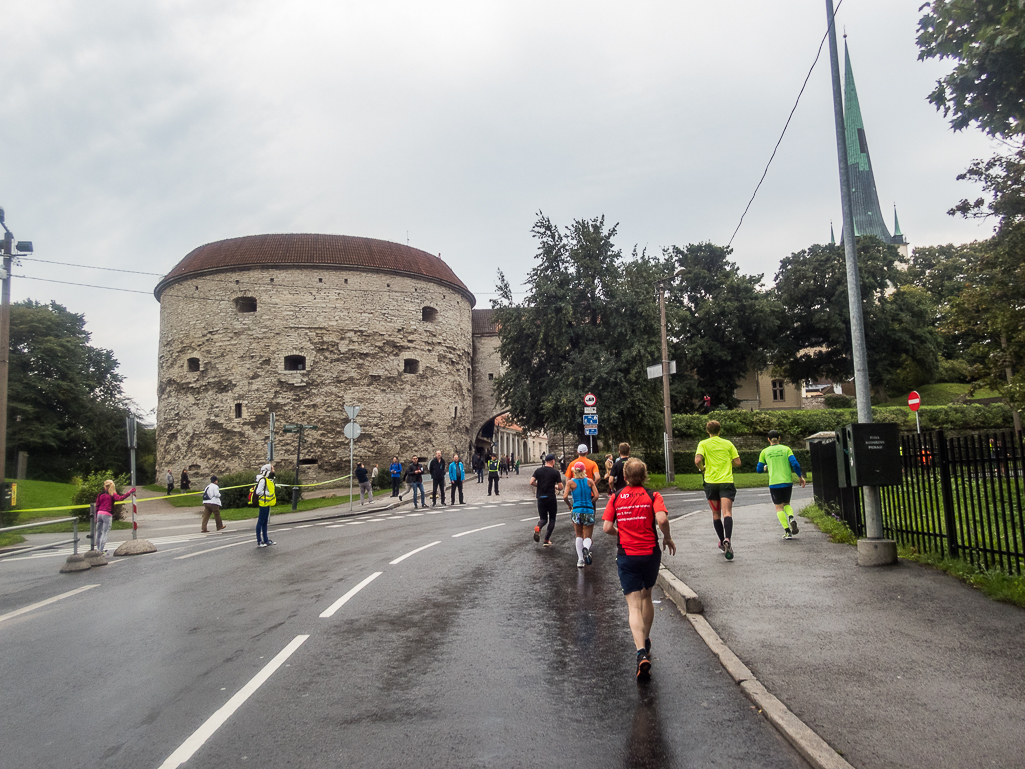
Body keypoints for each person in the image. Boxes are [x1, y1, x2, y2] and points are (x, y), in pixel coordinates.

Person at [602, 458, 676, 680]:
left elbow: (606, 527)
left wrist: (620, 533)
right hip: (650, 553)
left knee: (633, 606)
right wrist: (667, 537)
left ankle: (640, 652)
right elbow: (661, 518)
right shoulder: (653, 495)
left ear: (624, 476)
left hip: (627, 555)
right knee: (647, 597)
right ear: (644, 476)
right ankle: (646, 640)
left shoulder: (615, 497)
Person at [695, 420, 741, 560]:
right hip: (726, 481)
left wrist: (702, 469)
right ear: (720, 430)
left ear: (707, 431)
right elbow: (738, 462)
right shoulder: (728, 444)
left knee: (716, 514)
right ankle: (728, 538)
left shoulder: (703, 444)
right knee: (727, 512)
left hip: (710, 482)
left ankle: (721, 541)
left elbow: (697, 460)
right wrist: (728, 462)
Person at [756, 430, 806, 539]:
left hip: (774, 483)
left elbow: (759, 469)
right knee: (787, 503)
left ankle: (788, 532)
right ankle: (792, 518)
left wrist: (765, 468)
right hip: (787, 481)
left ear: (768, 439)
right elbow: (795, 464)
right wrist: (800, 477)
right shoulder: (786, 449)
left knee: (779, 507)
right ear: (779, 438)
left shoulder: (764, 452)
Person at [563, 461, 599, 568]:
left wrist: (570, 505)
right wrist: (590, 503)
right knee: (588, 536)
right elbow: (596, 496)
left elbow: (565, 497)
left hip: (576, 510)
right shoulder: (590, 481)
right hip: (588, 510)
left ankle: (580, 560)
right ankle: (586, 549)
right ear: (584, 471)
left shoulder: (570, 482)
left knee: (578, 535)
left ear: (574, 471)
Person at [94, 479, 136, 554]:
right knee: (105, 532)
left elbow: (97, 505)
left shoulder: (100, 494)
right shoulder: (112, 494)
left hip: (99, 513)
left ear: (105, 486)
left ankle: (98, 549)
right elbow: (121, 498)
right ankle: (100, 551)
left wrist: (96, 516)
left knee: (99, 532)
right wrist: (129, 492)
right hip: (107, 514)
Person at [530, 453, 564, 546]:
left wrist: (540, 485)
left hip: (541, 497)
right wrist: (555, 486)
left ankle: (538, 527)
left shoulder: (538, 471)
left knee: (543, 519)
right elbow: (561, 487)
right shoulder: (555, 472)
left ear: (545, 461)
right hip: (551, 498)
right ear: (553, 461)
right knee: (552, 519)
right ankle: (546, 540)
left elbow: (531, 482)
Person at [254, 463, 276, 547]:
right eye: (272, 469)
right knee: (260, 522)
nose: (273, 470)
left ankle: (266, 539)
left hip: (268, 503)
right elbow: (258, 491)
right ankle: (259, 541)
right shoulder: (263, 480)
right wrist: (267, 493)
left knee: (265, 522)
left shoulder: (268, 480)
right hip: (263, 503)